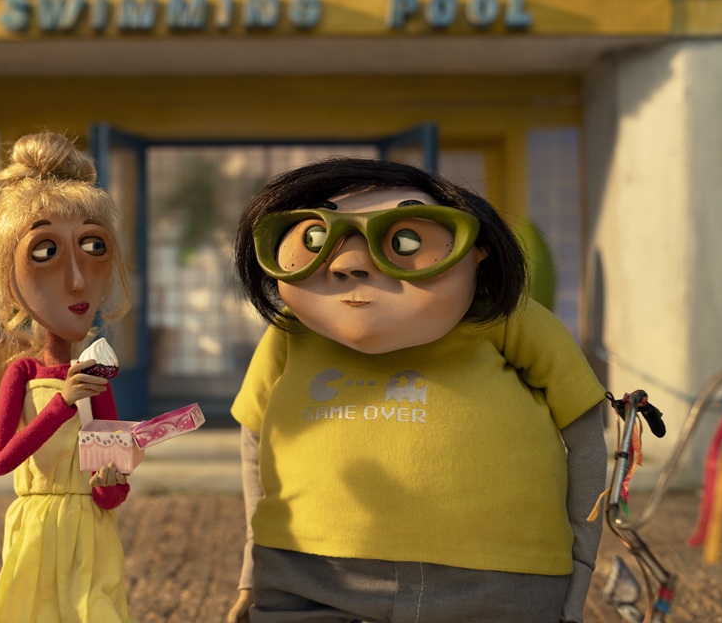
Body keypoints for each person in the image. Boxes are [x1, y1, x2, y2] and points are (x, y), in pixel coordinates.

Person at [226, 157, 608, 623]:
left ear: (478, 249)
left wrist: (580, 569)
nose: (348, 264)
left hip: (497, 582)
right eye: (316, 240)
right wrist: (251, 571)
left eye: (404, 240)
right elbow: (255, 440)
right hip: (304, 574)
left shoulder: (507, 320)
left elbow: (584, 433)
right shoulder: (291, 333)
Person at [0, 131, 135, 623]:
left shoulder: (97, 375)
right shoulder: (23, 372)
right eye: (45, 252)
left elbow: (112, 493)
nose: (77, 280)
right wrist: (61, 403)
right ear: (8, 276)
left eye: (93, 246)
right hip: (36, 532)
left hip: (92, 537)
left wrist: (111, 480)